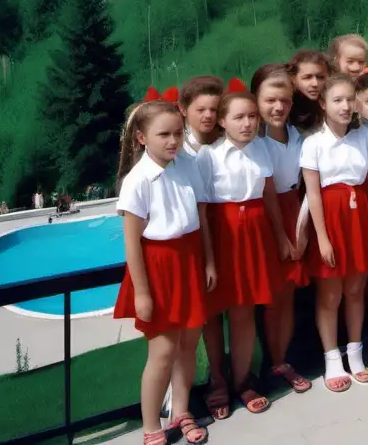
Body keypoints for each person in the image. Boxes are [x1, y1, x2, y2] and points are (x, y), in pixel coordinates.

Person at [114, 98, 214, 445]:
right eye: (164, 135)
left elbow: (200, 221)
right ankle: (151, 426)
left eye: (178, 133)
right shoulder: (138, 180)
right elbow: (132, 243)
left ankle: (181, 412)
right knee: (162, 353)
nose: (173, 141)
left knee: (189, 343)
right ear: (142, 138)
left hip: (188, 260)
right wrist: (142, 292)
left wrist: (209, 262)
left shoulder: (187, 165)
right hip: (158, 269)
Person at [199, 87, 290, 418]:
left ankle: (242, 380)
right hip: (223, 234)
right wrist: (208, 257)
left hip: (254, 234)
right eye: (239, 117)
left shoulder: (261, 149)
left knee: (244, 311)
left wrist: (280, 236)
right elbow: (204, 212)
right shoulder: (207, 157)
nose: (248, 124)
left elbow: (269, 197)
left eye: (252, 116)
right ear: (222, 121)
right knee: (214, 311)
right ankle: (218, 382)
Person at [302, 74, 368, 392]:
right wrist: (322, 237)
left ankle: (355, 351)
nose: (345, 106)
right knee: (330, 294)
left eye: (350, 99)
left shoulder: (364, 138)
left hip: (359, 217)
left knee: (355, 290)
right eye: (337, 100)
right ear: (323, 104)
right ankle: (332, 358)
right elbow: (312, 195)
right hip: (331, 219)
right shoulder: (313, 144)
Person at [253, 64, 311, 395]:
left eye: (285, 101)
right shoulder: (257, 143)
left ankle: (282, 359)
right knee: (271, 296)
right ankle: (269, 361)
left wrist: (300, 232)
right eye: (270, 100)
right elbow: (267, 191)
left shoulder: (298, 137)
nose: (278, 108)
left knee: (287, 295)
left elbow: (305, 187)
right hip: (269, 218)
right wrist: (282, 236)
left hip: (295, 212)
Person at [179, 77, 224, 156]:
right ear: (183, 109)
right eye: (201, 110)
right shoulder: (178, 147)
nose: (208, 115)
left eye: (213, 110)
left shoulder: (226, 140)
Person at [289, 50, 330, 133]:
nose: (315, 84)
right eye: (307, 77)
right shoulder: (286, 104)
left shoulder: (332, 101)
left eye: (321, 77)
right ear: (293, 78)